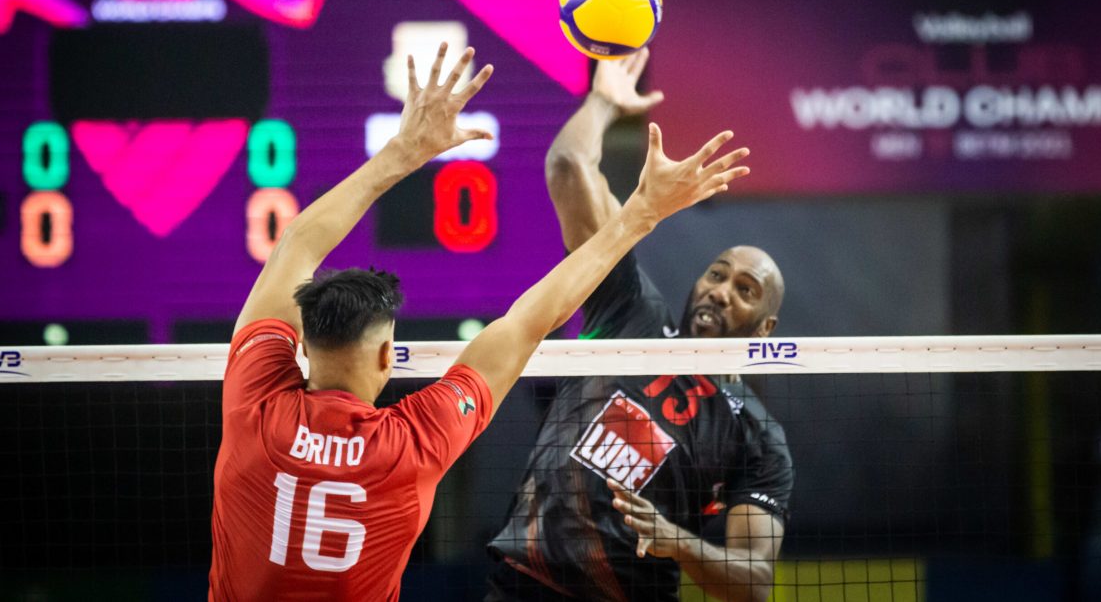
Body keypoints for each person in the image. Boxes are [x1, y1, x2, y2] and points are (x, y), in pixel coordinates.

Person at [207, 43, 750, 601]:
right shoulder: (413, 441)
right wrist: (640, 215)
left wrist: (399, 153)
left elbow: (292, 245)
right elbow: (527, 323)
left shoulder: (254, 404)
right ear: (385, 356)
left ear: (303, 343)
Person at [488, 48, 793, 602]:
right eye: (716, 274)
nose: (720, 291)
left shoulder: (757, 438)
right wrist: (604, 102)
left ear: (765, 327)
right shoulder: (630, 310)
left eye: (744, 290)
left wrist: (677, 540)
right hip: (522, 586)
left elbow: (755, 585)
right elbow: (567, 167)